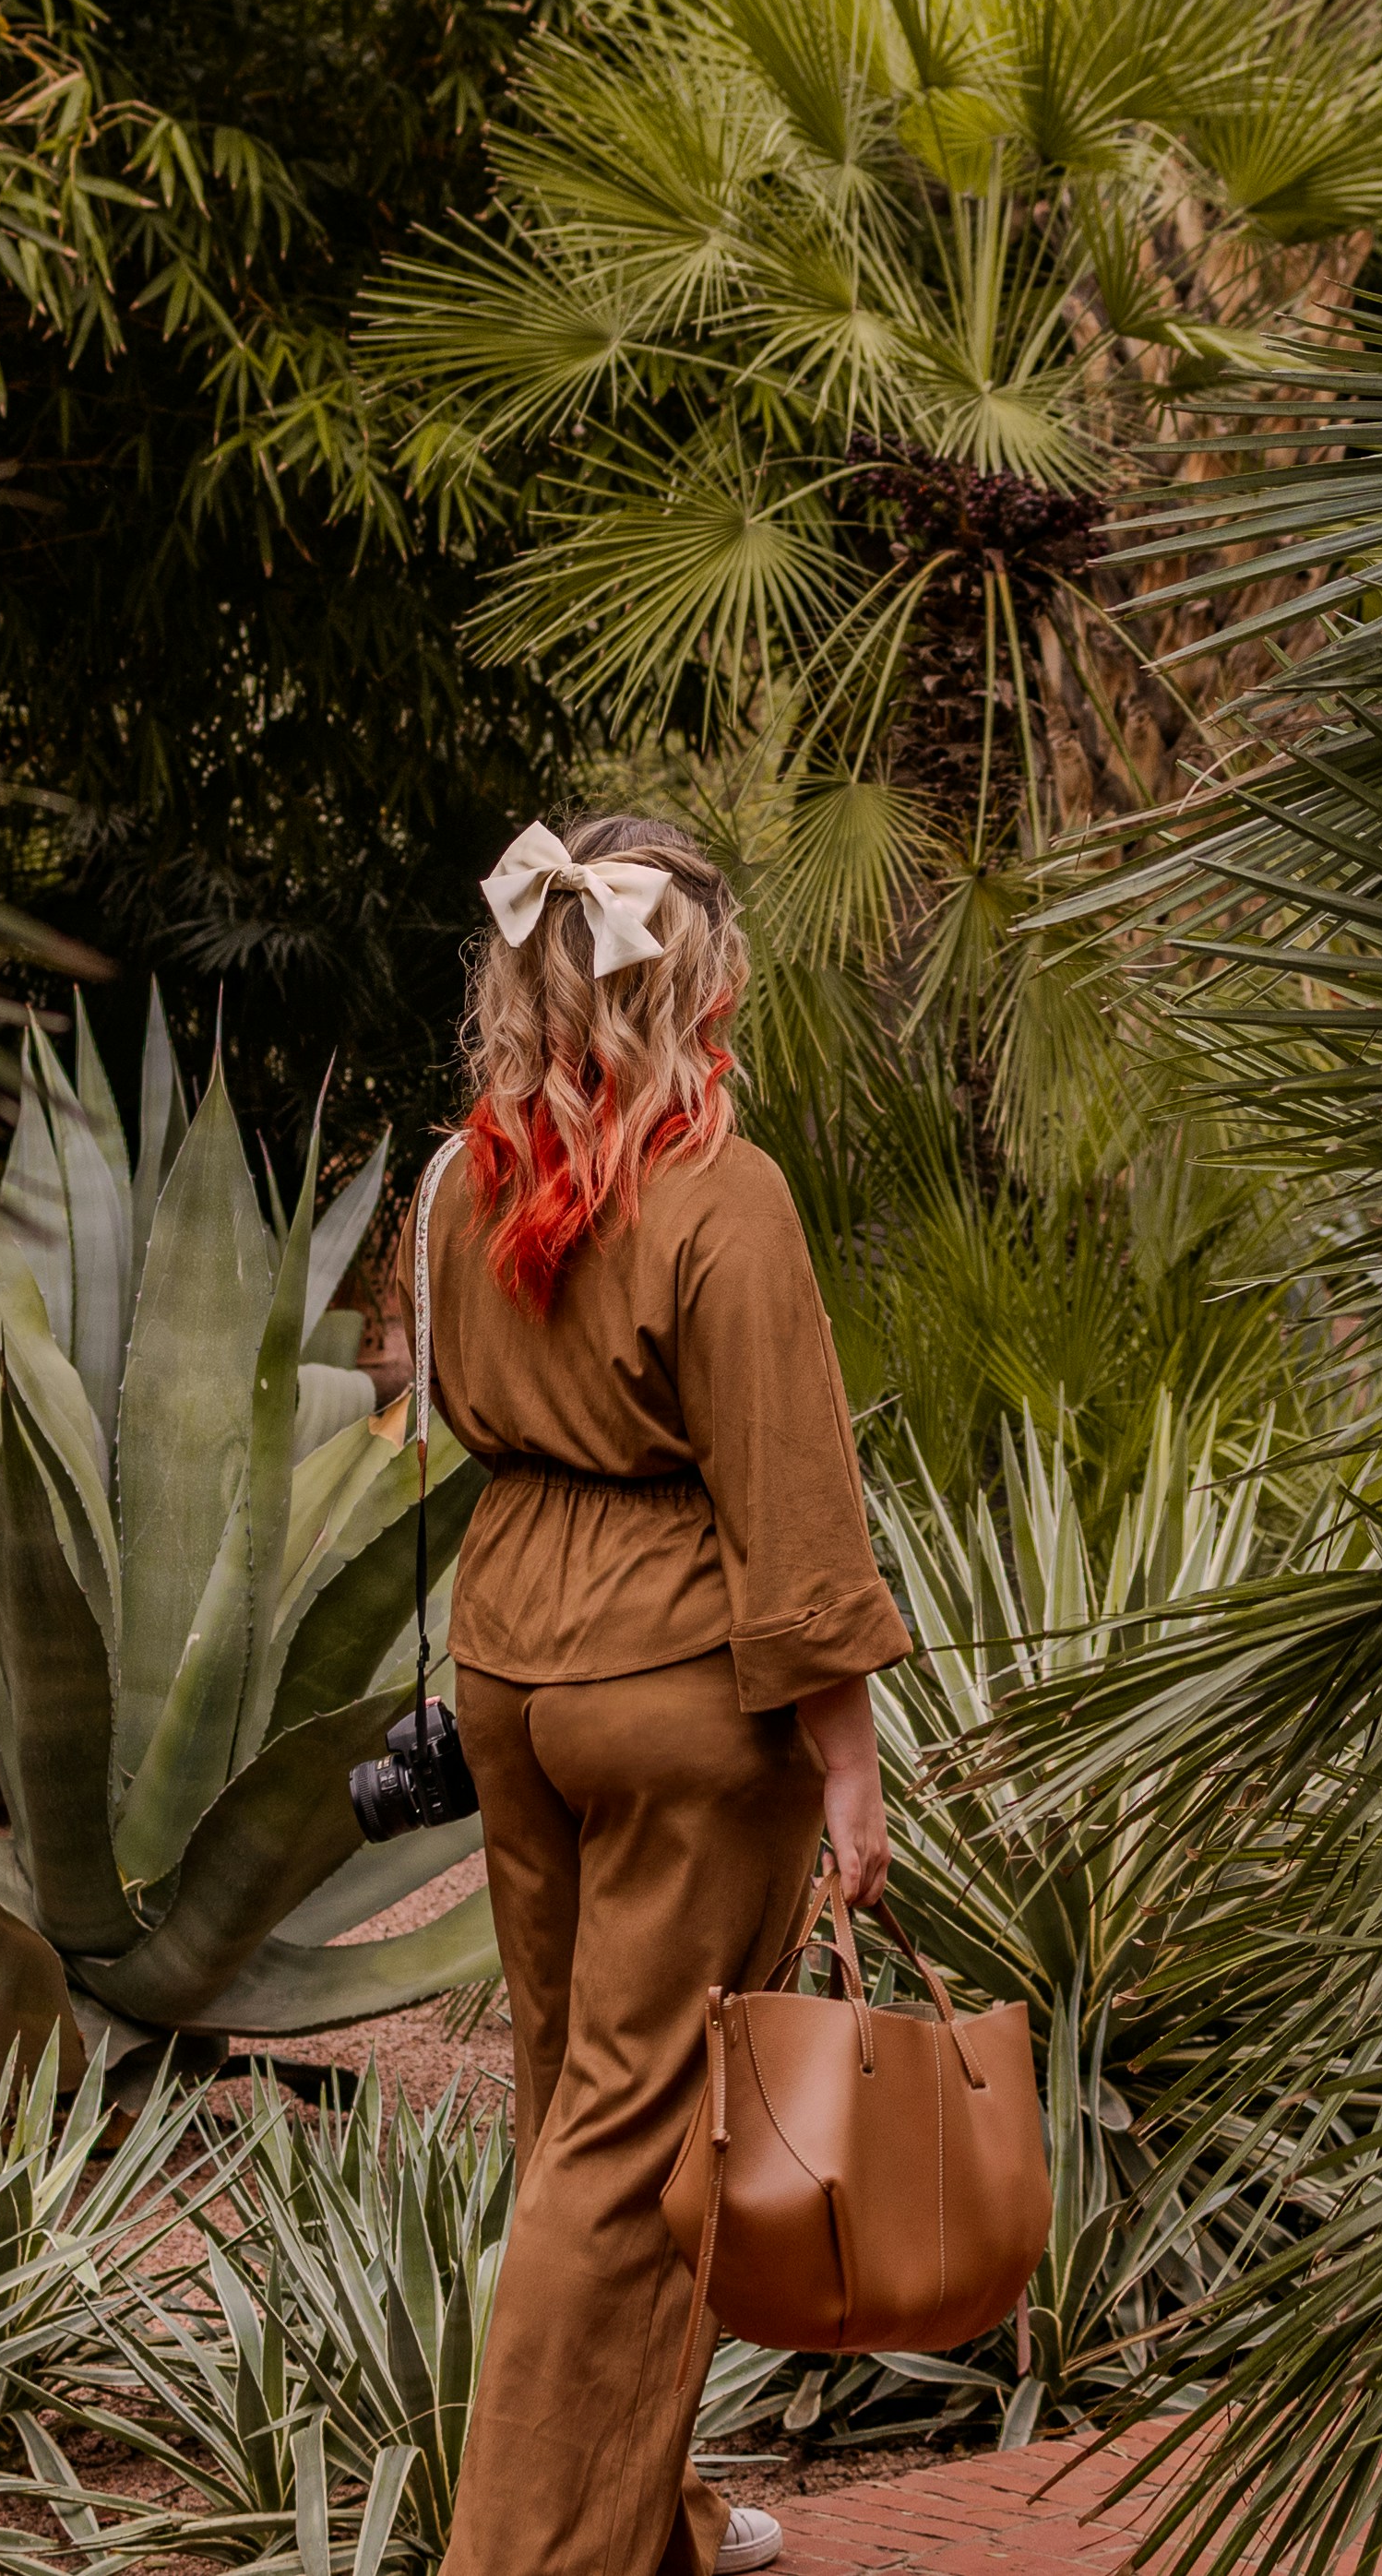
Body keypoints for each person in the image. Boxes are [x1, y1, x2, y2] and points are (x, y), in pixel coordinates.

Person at [417, 814, 911, 2576]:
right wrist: (848, 1759)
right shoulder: (724, 1187)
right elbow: (789, 1495)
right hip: (680, 1687)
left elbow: (456, 1414)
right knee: (634, 2148)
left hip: (513, 1668)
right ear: (690, 979)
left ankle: (652, 2518)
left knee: (584, 2120)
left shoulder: (467, 1176)